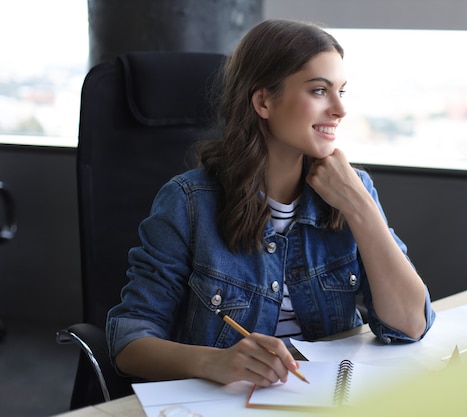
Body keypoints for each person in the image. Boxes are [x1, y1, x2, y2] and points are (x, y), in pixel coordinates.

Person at [106, 18, 436, 389]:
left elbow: (411, 326)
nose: (339, 109)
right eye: (318, 91)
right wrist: (217, 363)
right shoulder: (188, 203)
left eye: (341, 91)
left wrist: (360, 207)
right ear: (263, 100)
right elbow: (128, 341)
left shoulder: (354, 191)